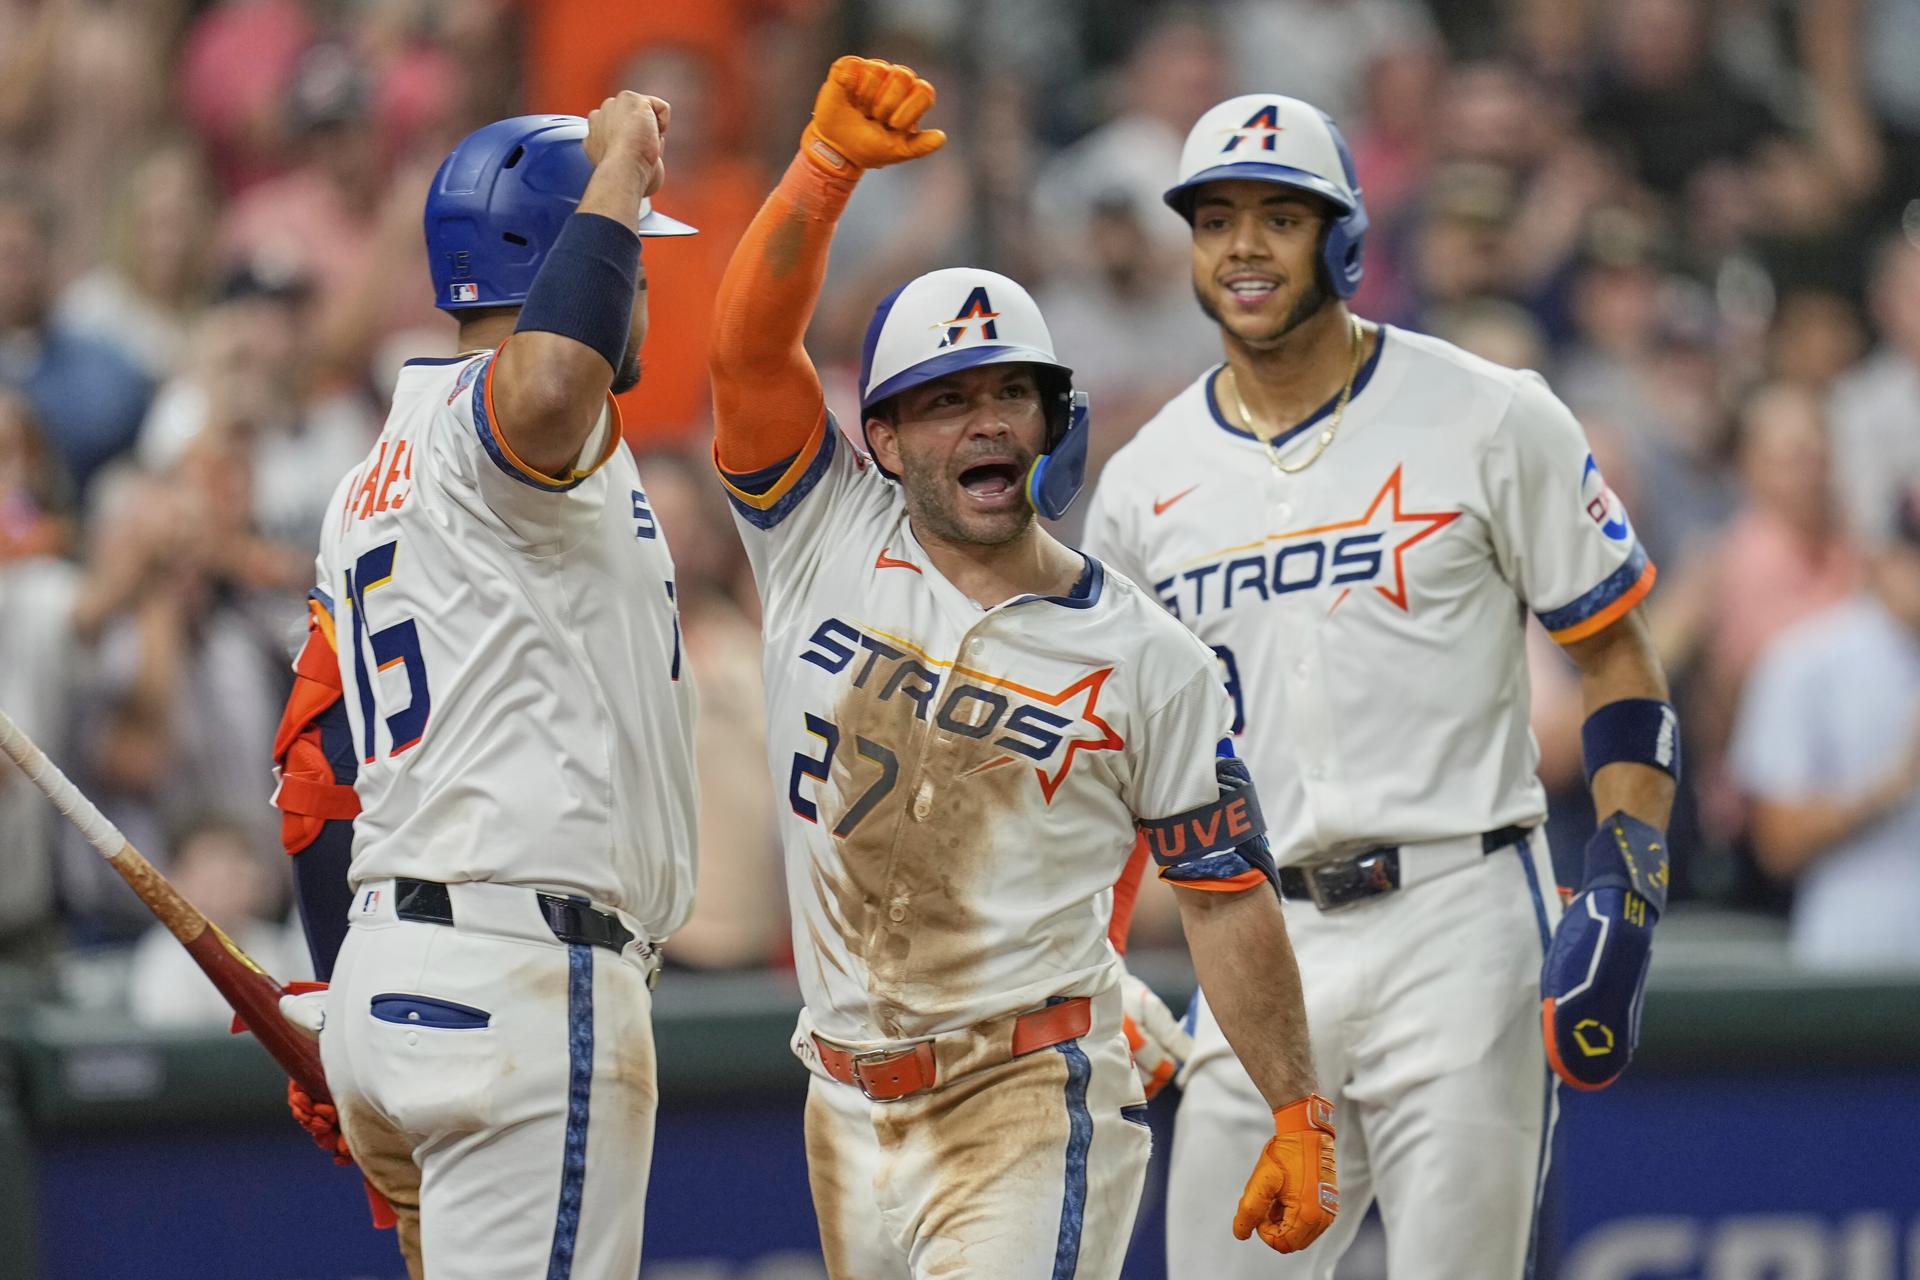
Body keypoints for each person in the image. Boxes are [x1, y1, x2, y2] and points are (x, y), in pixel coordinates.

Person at [707, 58, 1339, 1277]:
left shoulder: (1149, 656)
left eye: (1011, 393)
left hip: (1022, 1096)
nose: (985, 420)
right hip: (838, 1094)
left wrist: (1297, 1106)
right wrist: (821, 173)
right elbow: (745, 355)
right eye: (943, 401)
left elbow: (1224, 895)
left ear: (1056, 419)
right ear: (881, 436)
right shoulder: (821, 529)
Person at [1080, 94, 1679, 1278]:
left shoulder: (1491, 412)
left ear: (1345, 238)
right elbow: (1115, 763)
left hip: (1459, 912)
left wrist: (1629, 878)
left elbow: (1618, 658)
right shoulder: (1144, 484)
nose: (1242, 245)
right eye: (1215, 219)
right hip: (1258, 937)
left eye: (1277, 215)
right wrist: (1088, 963)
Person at [269, 97, 700, 1278]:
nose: (643, 283)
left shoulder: (369, 474)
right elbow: (551, 384)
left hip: (395, 988)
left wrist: (327, 986)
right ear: (567, 255)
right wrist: (617, 165)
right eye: (628, 251)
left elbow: (314, 766)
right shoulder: (510, 425)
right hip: (518, 984)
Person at [1728, 486, 1920, 970]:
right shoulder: (1808, 660)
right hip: (1856, 953)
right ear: (1882, 557)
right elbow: (1776, 841)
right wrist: (1891, 785)